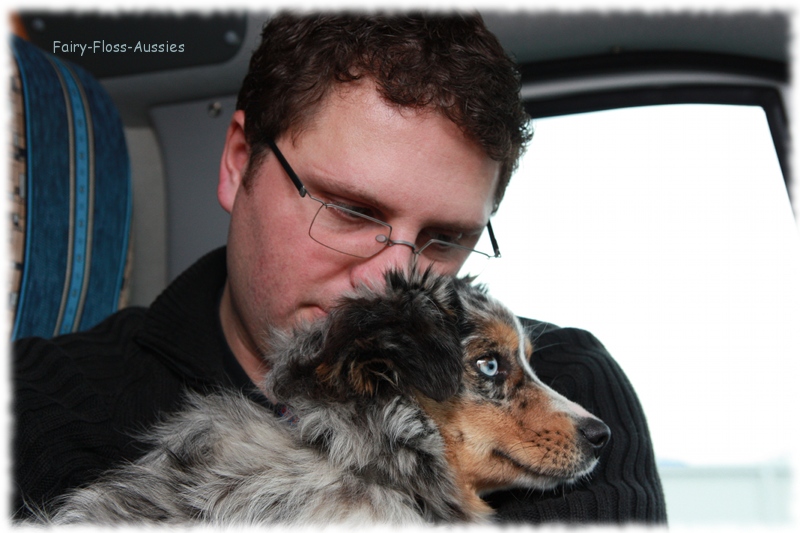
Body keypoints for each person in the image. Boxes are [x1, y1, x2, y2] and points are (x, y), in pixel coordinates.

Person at [12, 12, 667, 524]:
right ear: (239, 162)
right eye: (352, 211)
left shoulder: (569, 382)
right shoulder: (36, 406)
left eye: (444, 238)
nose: (391, 282)